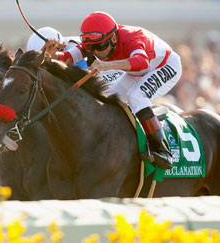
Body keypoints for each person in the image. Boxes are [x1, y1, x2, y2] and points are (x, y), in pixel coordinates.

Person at [46, 11, 182, 169]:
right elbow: (69, 57)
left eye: (100, 46)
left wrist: (106, 65)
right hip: (137, 71)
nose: (95, 52)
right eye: (90, 48)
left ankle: (162, 149)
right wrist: (51, 55)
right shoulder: (96, 41)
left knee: (136, 96)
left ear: (114, 38)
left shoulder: (133, 37)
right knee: (109, 98)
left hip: (165, 65)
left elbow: (142, 62)